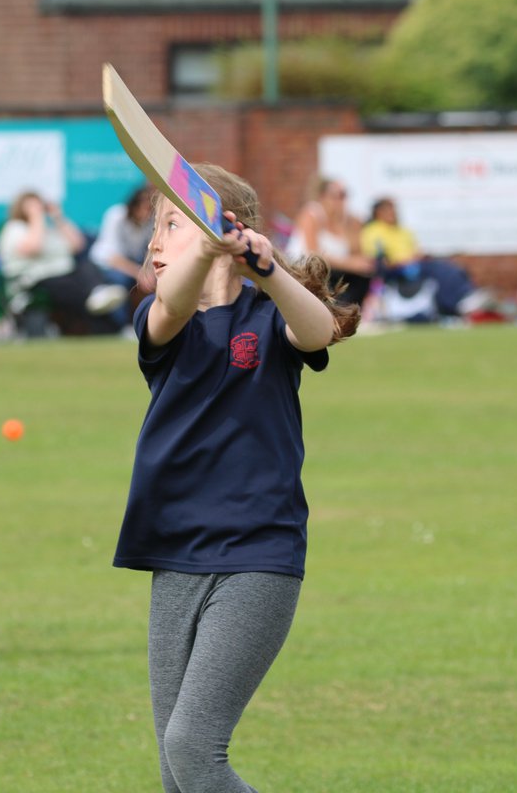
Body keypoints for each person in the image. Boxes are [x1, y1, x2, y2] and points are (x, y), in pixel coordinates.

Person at [114, 162, 360, 793]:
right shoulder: (159, 320)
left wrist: (266, 268)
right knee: (176, 772)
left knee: (193, 747)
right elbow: (171, 304)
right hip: (176, 554)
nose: (154, 243)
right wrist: (207, 249)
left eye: (171, 224)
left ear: (220, 229)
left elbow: (317, 329)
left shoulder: (270, 317)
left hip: (258, 555)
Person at [0, 190, 129, 336]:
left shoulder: (50, 228)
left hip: (66, 273)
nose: (38, 208)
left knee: (88, 267)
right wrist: (36, 216)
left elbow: (78, 245)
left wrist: (58, 217)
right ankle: (113, 327)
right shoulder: (14, 228)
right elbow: (33, 248)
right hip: (36, 280)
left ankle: (99, 293)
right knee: (82, 295)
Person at [359, 197, 491, 321]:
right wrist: (404, 261)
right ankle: (462, 301)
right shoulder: (373, 231)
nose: (393, 213)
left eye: (394, 209)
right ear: (378, 212)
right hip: (396, 270)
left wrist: (418, 257)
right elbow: (379, 261)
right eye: (389, 209)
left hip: (416, 265)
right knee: (439, 270)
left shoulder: (403, 231)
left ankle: (465, 297)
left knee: (449, 266)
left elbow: (416, 251)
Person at [285, 175, 376, 305]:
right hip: (306, 270)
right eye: (336, 195)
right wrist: (351, 264)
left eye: (344, 195)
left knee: (365, 272)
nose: (340, 200)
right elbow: (314, 255)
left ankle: (350, 311)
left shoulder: (351, 220)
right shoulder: (312, 213)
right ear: (322, 196)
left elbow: (357, 252)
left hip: (333, 272)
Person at [89, 184, 155, 323]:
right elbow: (111, 256)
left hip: (134, 263)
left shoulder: (151, 222)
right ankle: (122, 324)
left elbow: (151, 251)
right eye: (143, 207)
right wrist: (139, 273)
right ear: (133, 205)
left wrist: (148, 272)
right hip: (104, 265)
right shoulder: (116, 215)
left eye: (150, 208)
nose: (146, 212)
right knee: (120, 282)